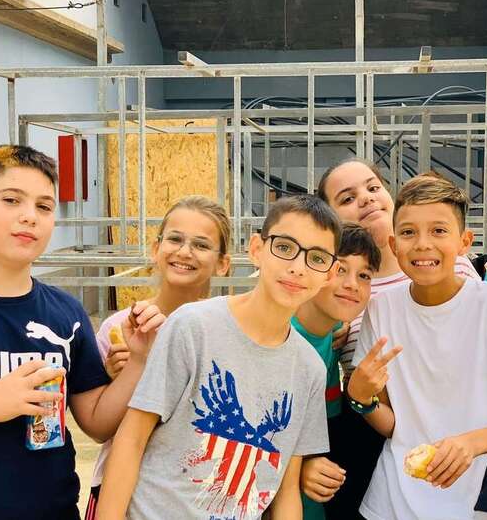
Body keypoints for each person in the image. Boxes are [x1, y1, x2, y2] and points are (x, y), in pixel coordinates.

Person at [0, 145, 162, 519]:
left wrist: (138, 362)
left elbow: (96, 422)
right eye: (11, 200)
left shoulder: (67, 313)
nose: (29, 216)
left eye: (44, 207)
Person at [316, 158, 487, 518]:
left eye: (438, 231)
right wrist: (360, 398)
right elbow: (395, 425)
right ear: (395, 243)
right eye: (408, 233)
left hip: (465, 497)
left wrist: (471, 443)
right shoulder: (379, 307)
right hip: (388, 497)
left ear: (464, 242)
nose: (423, 244)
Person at [96, 195, 341, 520]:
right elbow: (132, 439)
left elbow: (285, 488)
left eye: (317, 258)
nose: (297, 266)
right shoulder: (192, 325)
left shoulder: (310, 368)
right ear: (256, 249)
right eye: (284, 247)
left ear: (330, 274)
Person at [85, 196, 231, 519]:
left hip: (193, 498)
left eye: (201, 245)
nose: (184, 252)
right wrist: (122, 378)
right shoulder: (118, 329)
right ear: (156, 248)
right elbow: (99, 427)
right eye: (175, 239)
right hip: (120, 496)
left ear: (223, 263)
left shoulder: (228, 334)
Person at [292, 223, 380, 520]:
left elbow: (321, 433)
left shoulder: (330, 340)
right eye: (340, 269)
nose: (352, 284)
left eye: (364, 275)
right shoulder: (280, 338)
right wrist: (299, 468)